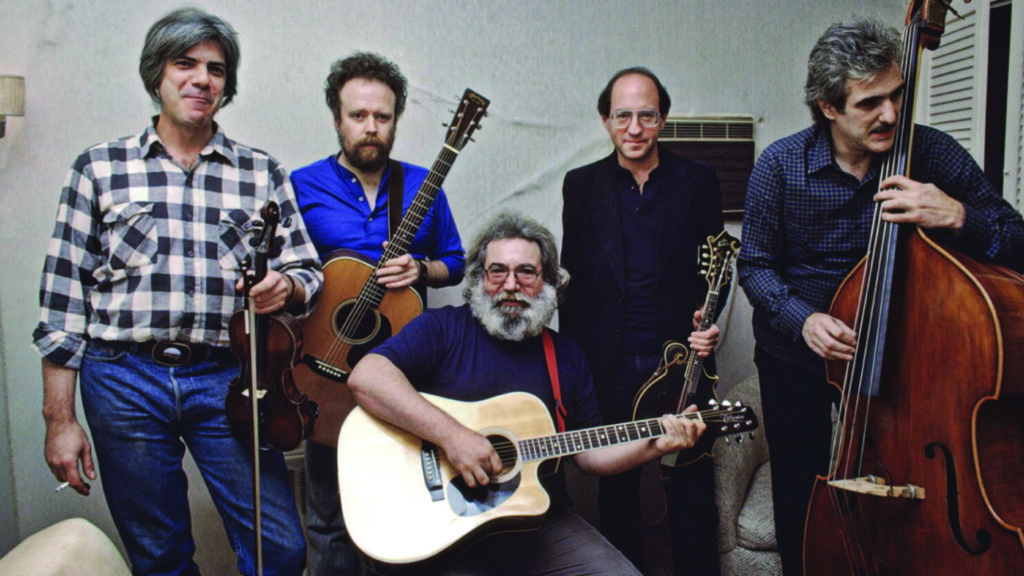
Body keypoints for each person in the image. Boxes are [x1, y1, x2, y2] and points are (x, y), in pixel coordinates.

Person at [33, 8, 322, 576]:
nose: (202, 80)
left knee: (280, 549)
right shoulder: (99, 168)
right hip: (123, 378)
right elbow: (63, 301)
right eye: (184, 64)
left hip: (230, 380)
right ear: (157, 75)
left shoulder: (260, 172)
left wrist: (282, 287)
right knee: (160, 556)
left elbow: (308, 274)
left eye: (216, 70)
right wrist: (59, 421)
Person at [738, 18, 1024, 576]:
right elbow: (756, 267)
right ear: (828, 107)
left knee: (908, 485)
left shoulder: (934, 155)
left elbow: (1016, 238)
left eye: (897, 95)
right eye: (870, 103)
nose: (891, 115)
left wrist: (958, 215)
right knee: (803, 486)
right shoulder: (779, 166)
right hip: (798, 356)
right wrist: (804, 319)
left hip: (905, 361)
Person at [346, 211, 706, 576]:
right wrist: (453, 437)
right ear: (478, 278)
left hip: (541, 525)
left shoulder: (567, 357)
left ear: (549, 281)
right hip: (450, 528)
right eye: (497, 271)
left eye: (526, 272)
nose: (511, 284)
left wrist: (656, 442)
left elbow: (589, 457)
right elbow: (367, 377)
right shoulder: (443, 329)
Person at [290, 52, 465, 576]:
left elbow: (455, 263)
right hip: (327, 368)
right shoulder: (302, 184)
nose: (370, 128)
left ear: (396, 120)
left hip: (402, 372)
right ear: (337, 118)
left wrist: (422, 270)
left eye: (382, 117)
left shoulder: (421, 186)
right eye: (358, 115)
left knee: (403, 506)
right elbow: (287, 270)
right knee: (326, 516)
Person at [559, 67, 725, 574]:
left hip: (680, 362)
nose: (635, 128)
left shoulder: (698, 181)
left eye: (646, 116)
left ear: (663, 120)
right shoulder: (581, 185)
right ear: (606, 121)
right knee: (619, 494)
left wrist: (712, 321)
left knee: (692, 486)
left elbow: (714, 272)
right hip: (607, 362)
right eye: (623, 116)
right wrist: (570, 370)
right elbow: (576, 283)